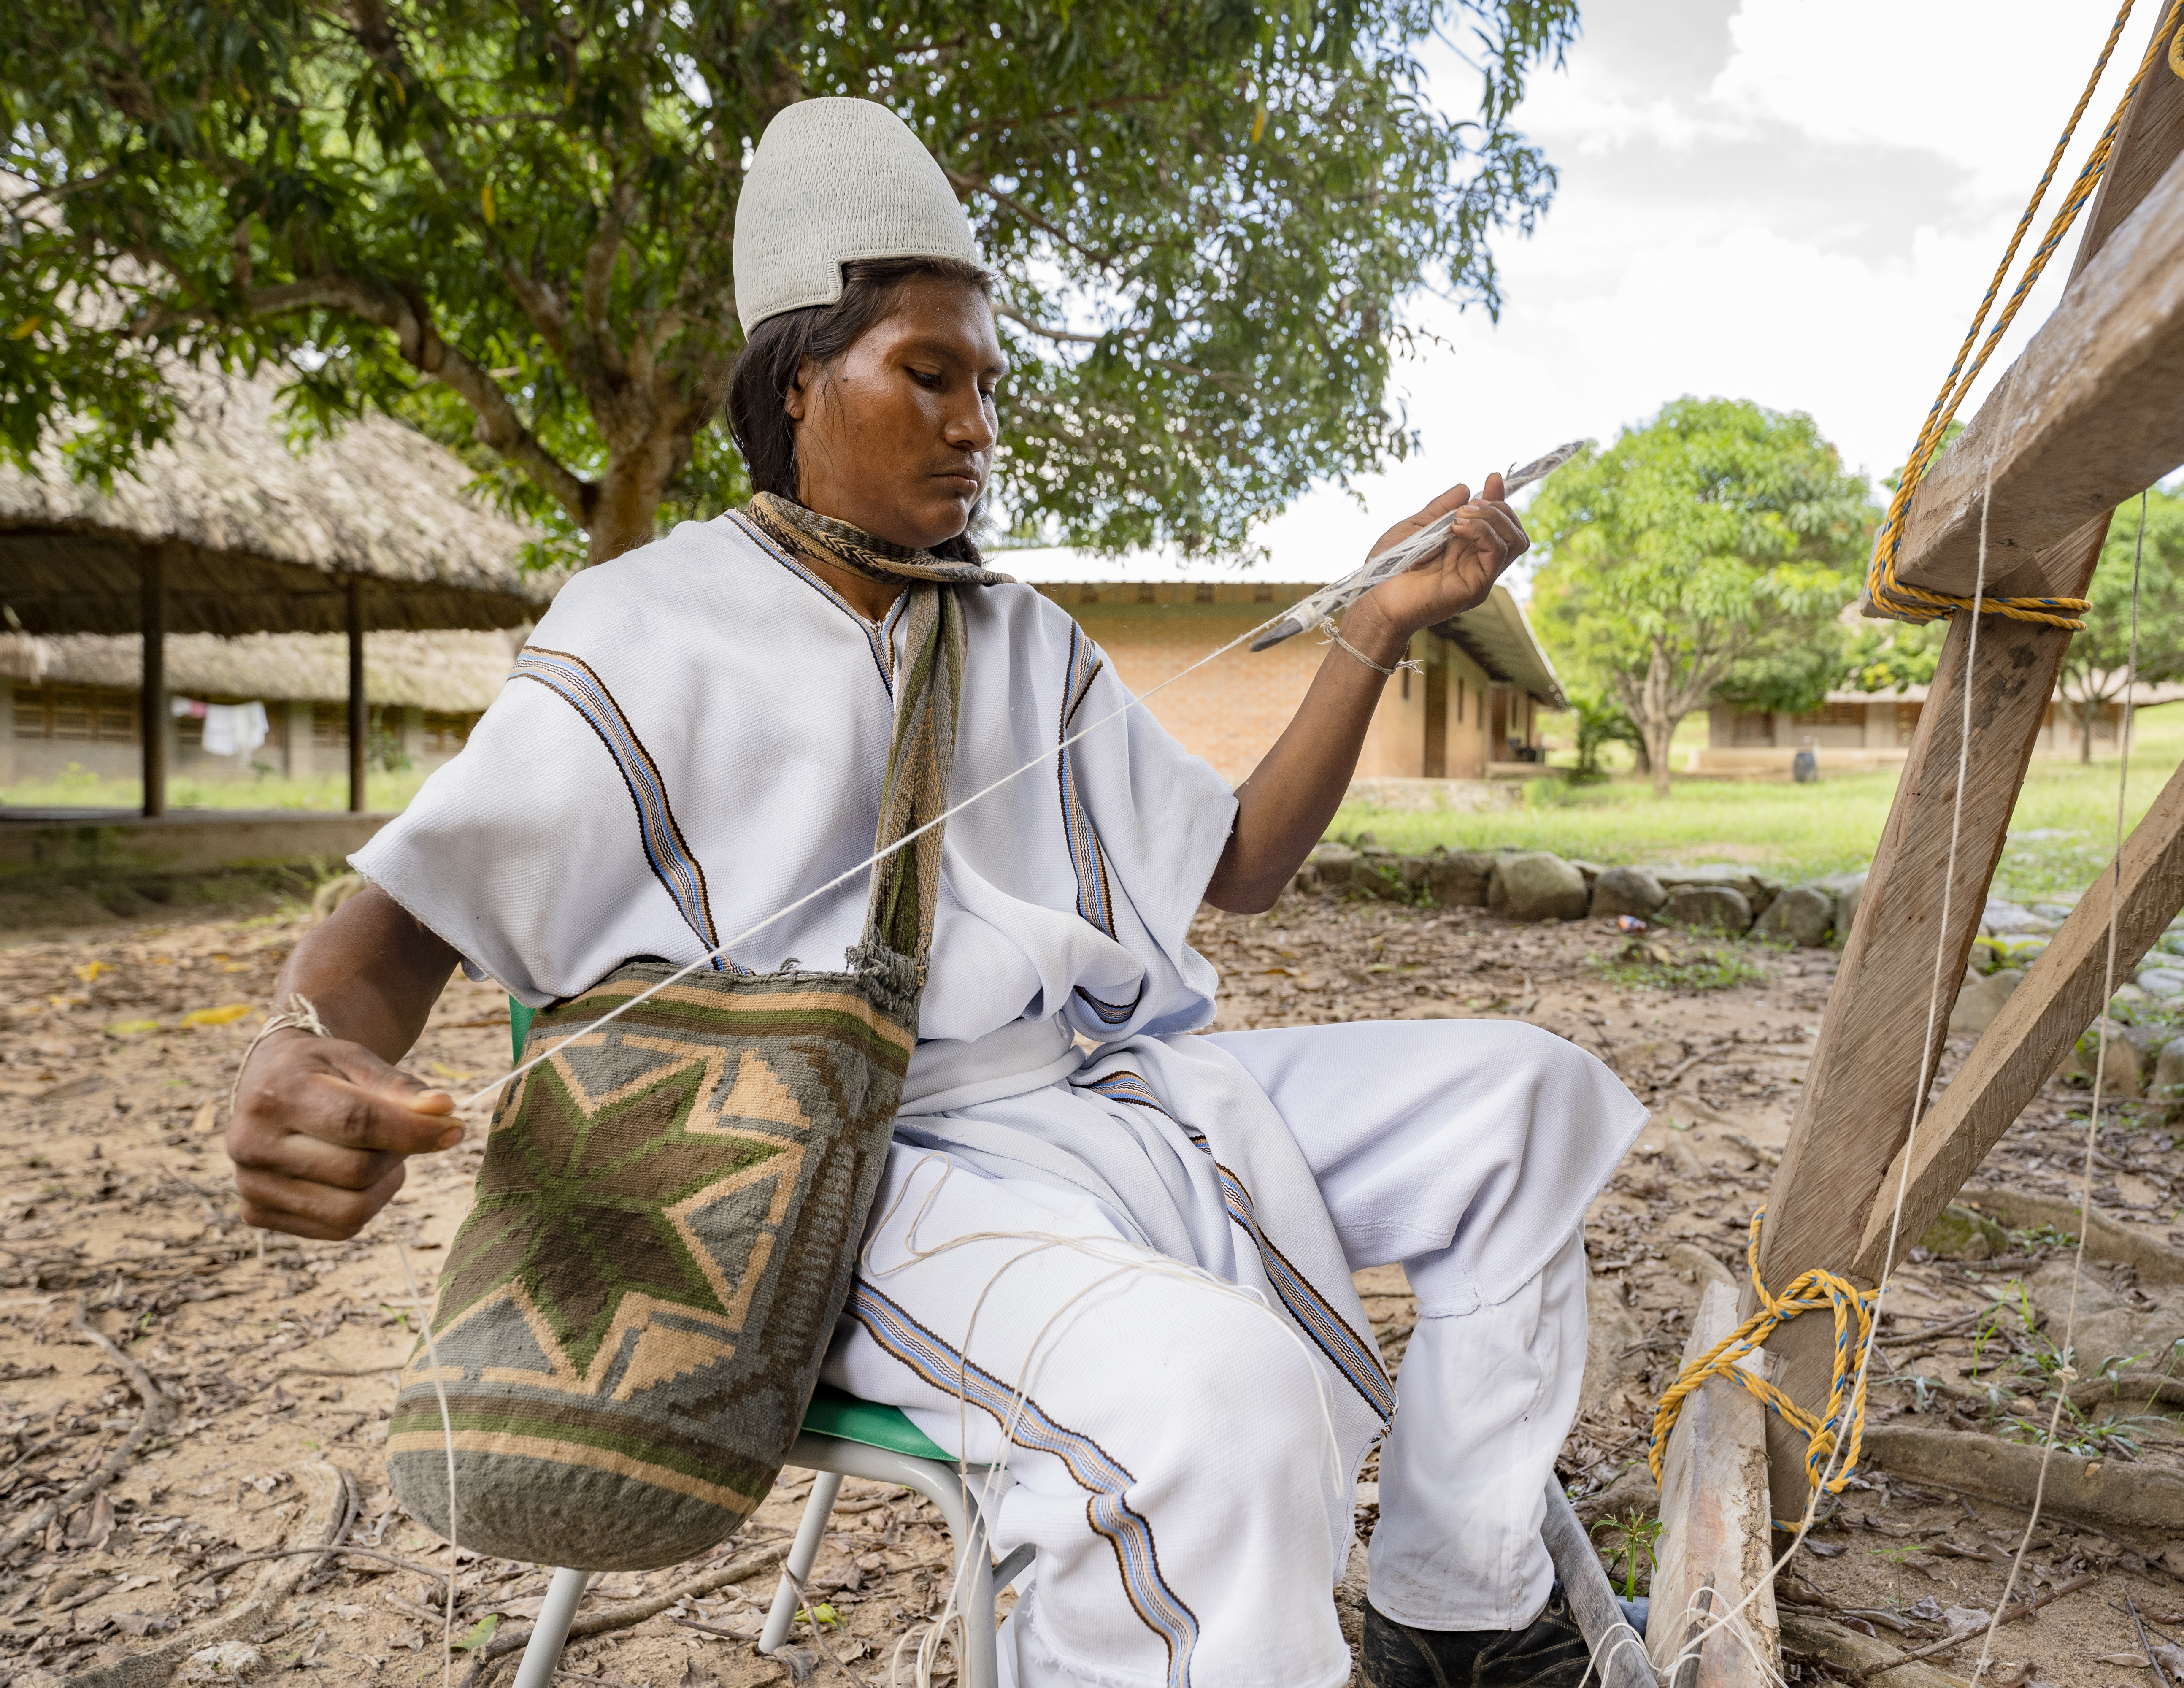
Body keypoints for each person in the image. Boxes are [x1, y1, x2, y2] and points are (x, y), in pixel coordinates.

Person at [226, 97, 1643, 1688]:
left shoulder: (1017, 634)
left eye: (988, 385)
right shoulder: (650, 620)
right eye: (929, 374)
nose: (977, 425)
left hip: (1107, 1093)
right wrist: (297, 1047)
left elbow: (1237, 867)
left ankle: (1455, 1613)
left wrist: (1379, 622)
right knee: (1217, 1402)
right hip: (851, 1165)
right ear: (796, 383)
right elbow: (405, 918)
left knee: (1528, 1101)